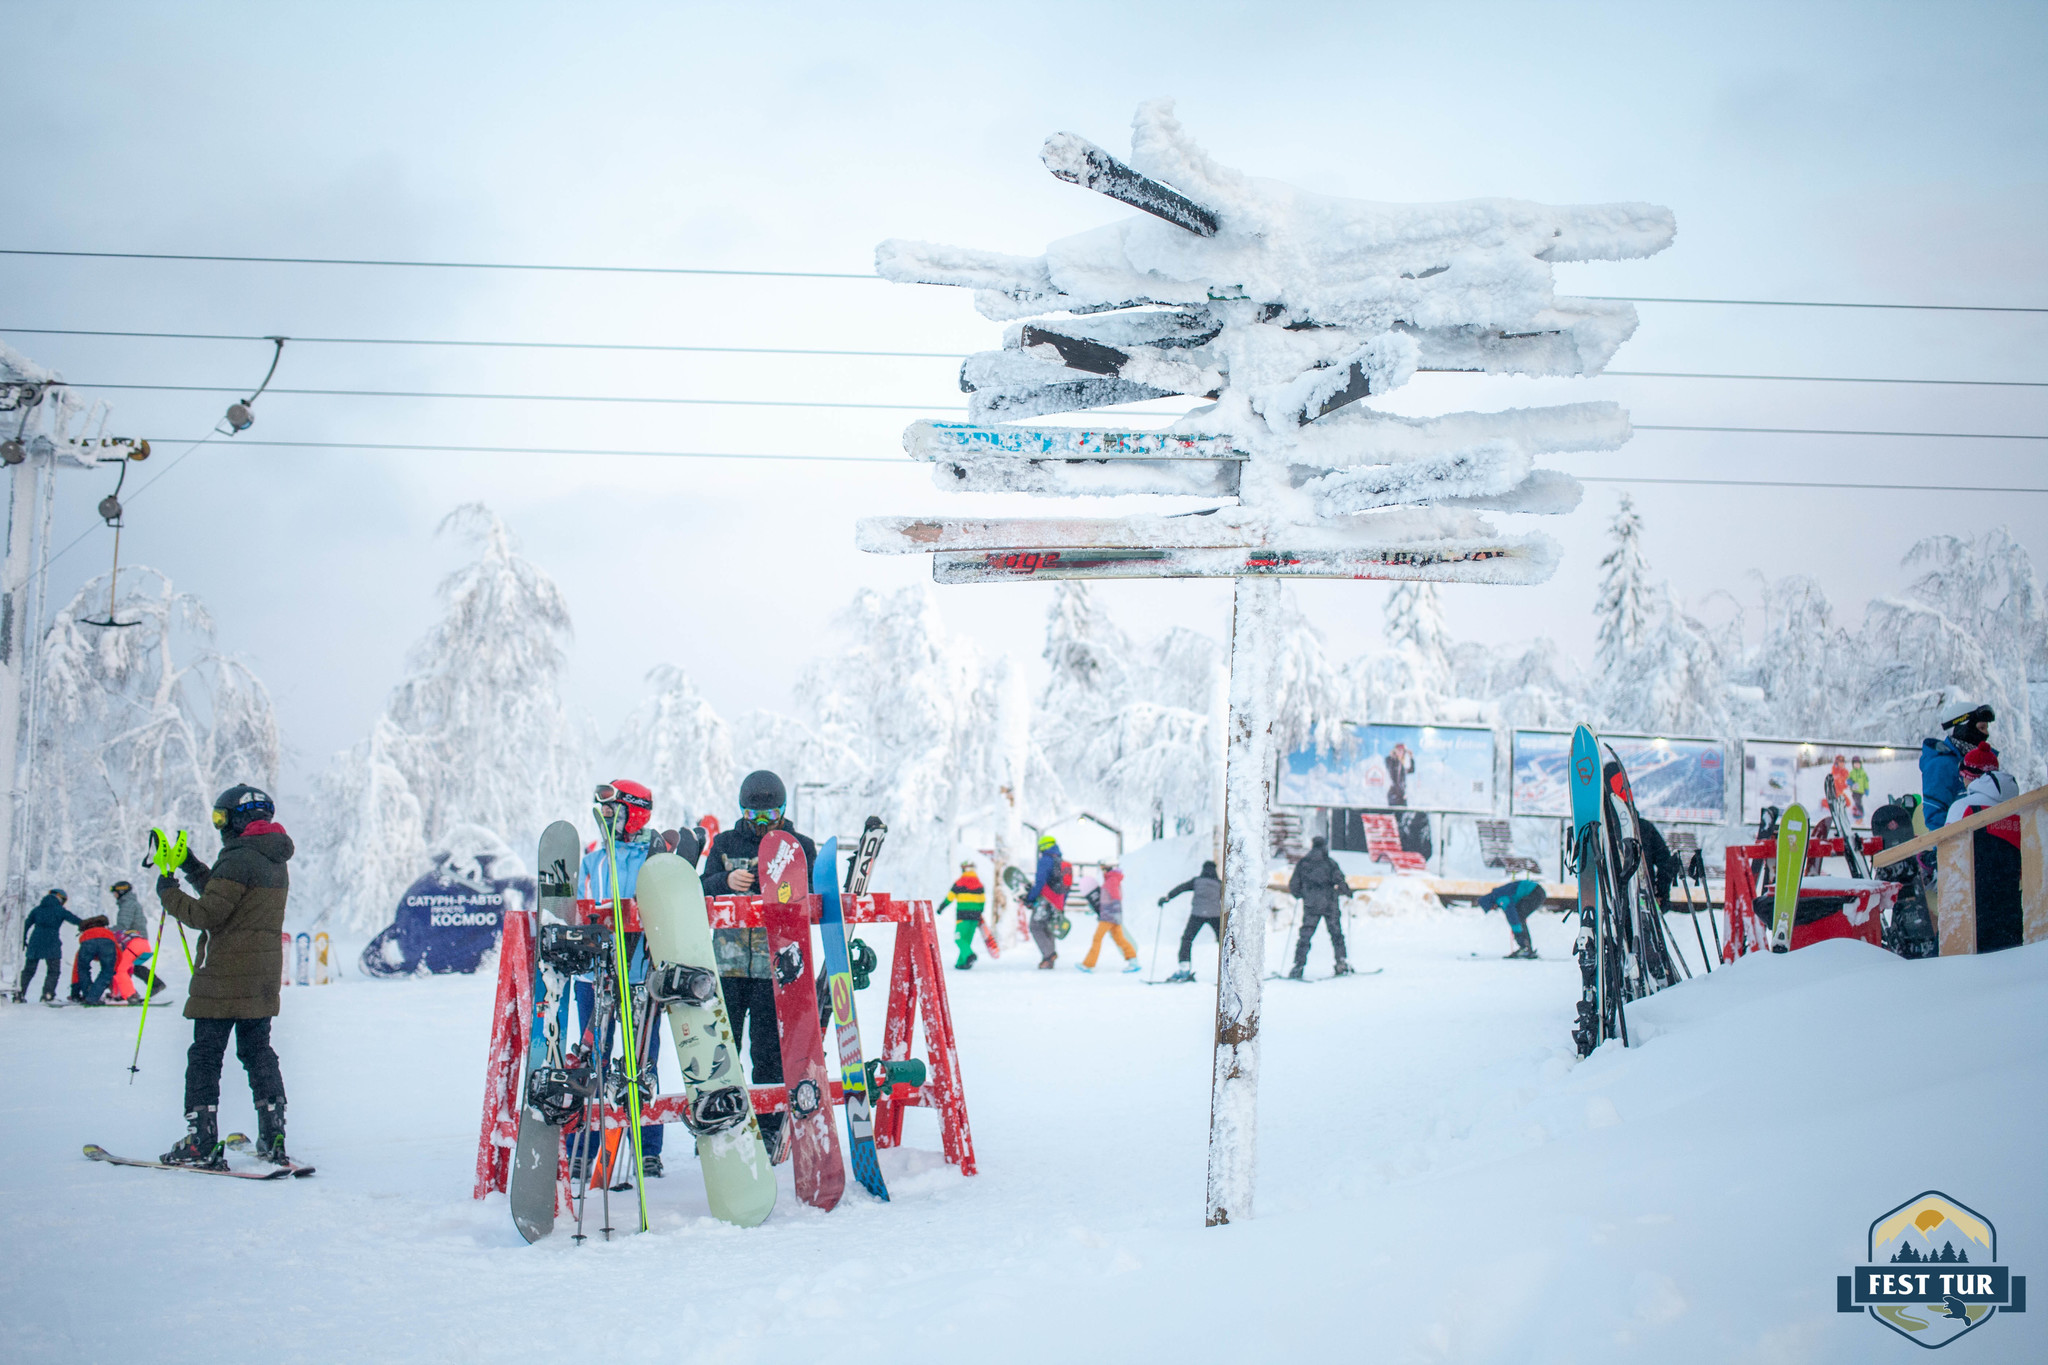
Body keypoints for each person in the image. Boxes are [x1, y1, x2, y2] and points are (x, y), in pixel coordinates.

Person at [158, 784, 293, 1169]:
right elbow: (231, 900)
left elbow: (207, 915)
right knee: (257, 1052)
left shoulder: (237, 859)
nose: (219, 825)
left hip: (223, 976)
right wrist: (194, 867)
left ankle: (200, 1141)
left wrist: (168, 892)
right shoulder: (272, 857)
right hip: (261, 977)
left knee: (205, 1055)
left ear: (236, 819)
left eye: (220, 817)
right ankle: (274, 1134)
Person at [701, 770, 813, 1156]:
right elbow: (701, 886)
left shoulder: (800, 845)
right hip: (728, 965)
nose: (762, 822)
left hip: (775, 966)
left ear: (784, 810)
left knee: (767, 1051)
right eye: (754, 814)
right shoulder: (725, 842)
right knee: (722, 1049)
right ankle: (721, 1122)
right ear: (742, 811)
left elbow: (813, 896)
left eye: (771, 814)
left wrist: (783, 887)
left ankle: (767, 1127)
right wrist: (724, 881)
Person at [575, 778, 667, 1178]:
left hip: (641, 976)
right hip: (595, 977)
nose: (605, 818)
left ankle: (647, 1146)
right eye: (602, 811)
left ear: (635, 812)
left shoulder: (655, 858)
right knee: (593, 1057)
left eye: (613, 810)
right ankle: (586, 1143)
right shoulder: (593, 861)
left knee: (641, 1059)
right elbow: (580, 908)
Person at [1950, 746, 2023, 952]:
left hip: (1974, 910)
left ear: (1969, 776)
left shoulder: (1964, 807)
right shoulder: (2021, 808)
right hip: (2014, 907)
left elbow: (1949, 855)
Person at [1286, 835, 1355, 978]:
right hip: (1330, 904)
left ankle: (1298, 967)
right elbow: (1340, 881)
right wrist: (1347, 892)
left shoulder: (1303, 863)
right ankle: (1341, 963)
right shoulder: (1330, 863)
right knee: (1336, 935)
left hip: (1311, 904)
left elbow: (1293, 885)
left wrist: (1302, 894)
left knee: (1305, 936)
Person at [1920, 702, 1995, 830]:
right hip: (1961, 844)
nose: (1986, 734)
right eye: (1981, 728)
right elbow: (1935, 817)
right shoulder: (1942, 765)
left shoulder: (1984, 762)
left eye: (1986, 728)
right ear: (1964, 729)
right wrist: (1953, 848)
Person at [1159, 859, 1223, 983]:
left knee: (1187, 939)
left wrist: (1167, 897)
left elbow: (1181, 888)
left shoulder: (1196, 881)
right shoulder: (1219, 884)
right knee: (1223, 941)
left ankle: (1184, 969)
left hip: (1197, 914)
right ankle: (1231, 969)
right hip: (1215, 915)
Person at [15, 889, 78, 1003]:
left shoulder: (37, 910)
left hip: (35, 942)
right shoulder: (60, 910)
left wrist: (23, 940)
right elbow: (76, 921)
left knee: (28, 970)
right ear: (61, 899)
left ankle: (19, 995)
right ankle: (48, 995)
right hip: (52, 942)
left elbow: (25, 925)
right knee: (53, 970)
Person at [1078, 860, 1139, 973]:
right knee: (1119, 939)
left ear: (1107, 868)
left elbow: (1115, 898)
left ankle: (1088, 964)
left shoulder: (1111, 881)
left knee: (1097, 938)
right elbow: (1108, 899)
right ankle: (1133, 960)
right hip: (1113, 916)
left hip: (1108, 916)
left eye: (1102, 868)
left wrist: (1107, 913)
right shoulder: (1112, 879)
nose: (1102, 871)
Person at [1024, 834, 1067, 969]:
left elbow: (1040, 882)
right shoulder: (1060, 861)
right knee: (1048, 928)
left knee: (1035, 926)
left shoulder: (1045, 860)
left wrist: (1030, 898)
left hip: (1046, 899)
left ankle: (1049, 954)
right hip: (1058, 900)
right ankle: (1048, 961)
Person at [1477, 876, 1546, 959]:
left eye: (1491, 908)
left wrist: (1517, 932)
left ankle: (1525, 947)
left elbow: (1512, 916)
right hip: (1535, 890)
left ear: (1490, 903)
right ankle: (1526, 947)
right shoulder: (1498, 894)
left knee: (1519, 917)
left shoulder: (1501, 898)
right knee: (1519, 916)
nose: (1494, 909)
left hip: (1535, 893)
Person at [937, 860, 986, 970]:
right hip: (975, 917)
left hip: (963, 916)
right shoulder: (979, 884)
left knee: (958, 938)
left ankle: (969, 955)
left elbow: (950, 897)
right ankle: (962, 963)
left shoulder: (960, 882)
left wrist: (941, 908)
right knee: (967, 940)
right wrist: (980, 913)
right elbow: (983, 901)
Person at [73, 916, 119, 1004]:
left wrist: (75, 993)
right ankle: (92, 997)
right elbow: (118, 955)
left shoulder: (87, 934)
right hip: (107, 942)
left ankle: (88, 995)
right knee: (107, 971)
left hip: (87, 942)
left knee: (83, 969)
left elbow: (77, 969)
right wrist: (115, 973)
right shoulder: (107, 932)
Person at [1385, 742, 1415, 808]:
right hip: (1394, 794)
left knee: (1403, 813)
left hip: (1402, 794)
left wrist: (1411, 758)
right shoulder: (1392, 761)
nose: (1400, 752)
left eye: (1402, 751)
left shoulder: (1402, 765)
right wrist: (1393, 756)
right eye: (1398, 750)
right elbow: (1388, 763)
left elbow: (1411, 770)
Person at [1848, 756, 1870, 822]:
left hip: (1860, 791)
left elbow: (1866, 782)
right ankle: (1856, 811)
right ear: (1853, 765)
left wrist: (1866, 789)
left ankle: (1860, 814)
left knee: (1858, 802)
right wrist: (1851, 783)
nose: (1857, 765)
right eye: (1855, 764)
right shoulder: (1852, 772)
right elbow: (1848, 779)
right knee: (1856, 801)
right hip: (1854, 791)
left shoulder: (1863, 773)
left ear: (1860, 764)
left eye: (1858, 764)